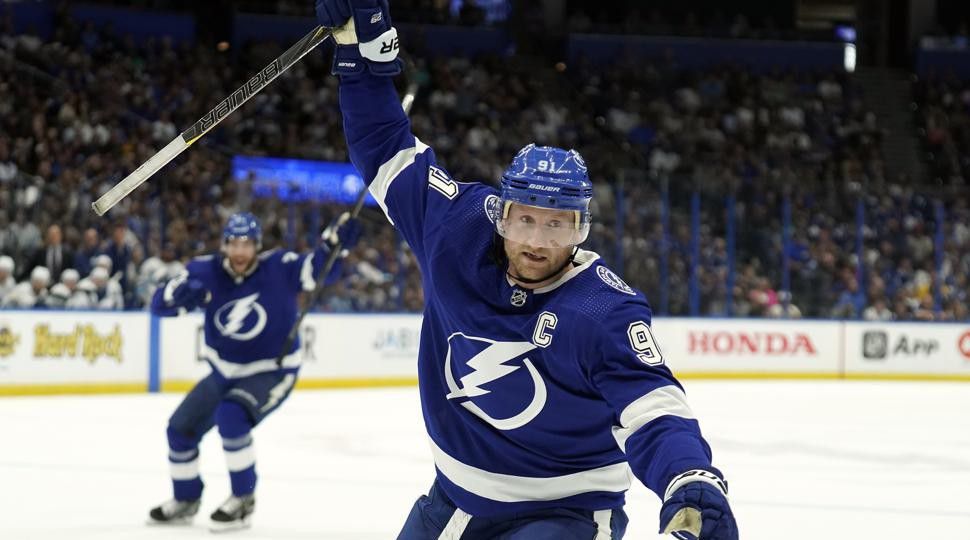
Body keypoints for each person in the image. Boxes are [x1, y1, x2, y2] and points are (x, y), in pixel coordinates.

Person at [315, 1, 738, 538]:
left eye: (557, 225)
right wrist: (361, 56)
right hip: (454, 498)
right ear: (501, 213)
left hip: (566, 512)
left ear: (581, 228)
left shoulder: (603, 309)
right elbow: (383, 147)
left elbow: (655, 408)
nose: (537, 242)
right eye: (526, 221)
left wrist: (690, 479)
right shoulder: (455, 226)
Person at [146, 211, 359, 531]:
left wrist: (335, 245)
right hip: (223, 372)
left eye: (247, 244)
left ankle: (243, 500)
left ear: (257, 245)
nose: (240, 251)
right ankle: (186, 499)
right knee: (180, 430)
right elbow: (158, 307)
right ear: (225, 245)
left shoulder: (281, 266)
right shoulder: (203, 271)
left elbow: (320, 271)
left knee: (231, 417)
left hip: (272, 371)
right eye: (234, 243)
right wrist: (173, 296)